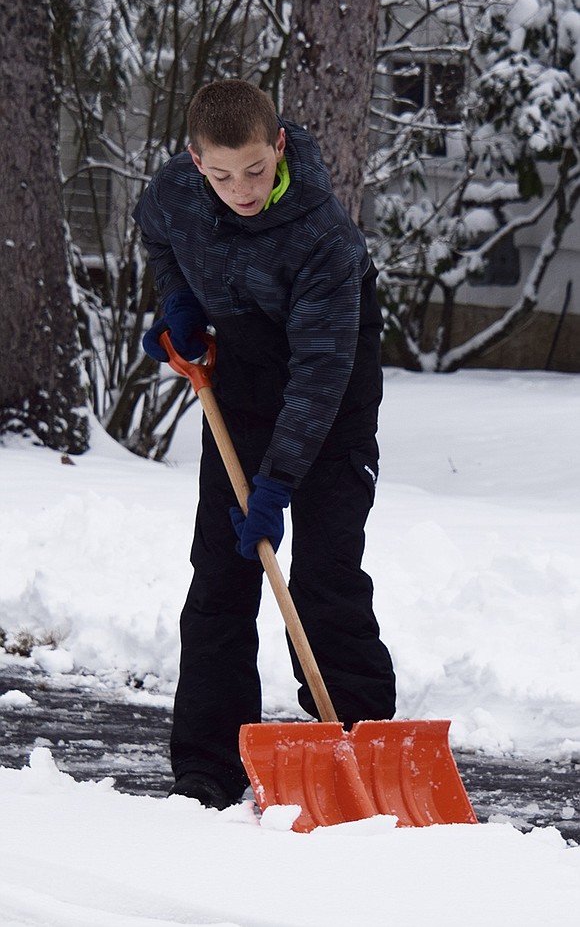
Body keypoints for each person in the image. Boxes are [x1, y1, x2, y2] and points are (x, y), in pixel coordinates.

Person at [133, 79, 396, 810]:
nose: (240, 189)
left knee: (324, 573)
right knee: (221, 571)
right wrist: (179, 300)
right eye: (221, 174)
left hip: (331, 389)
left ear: (277, 145)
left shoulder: (322, 237)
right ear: (194, 161)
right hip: (241, 381)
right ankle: (208, 766)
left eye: (254, 169)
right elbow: (156, 232)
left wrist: (277, 483)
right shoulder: (176, 192)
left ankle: (366, 740)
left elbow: (319, 373)